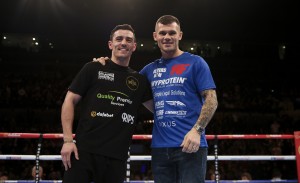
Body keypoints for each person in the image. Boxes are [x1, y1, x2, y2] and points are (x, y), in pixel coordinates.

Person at [95, 15, 218, 183]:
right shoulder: (149, 70)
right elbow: (123, 82)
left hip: (191, 146)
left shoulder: (196, 62)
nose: (167, 37)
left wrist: (197, 130)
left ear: (179, 35)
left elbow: (212, 100)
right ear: (155, 36)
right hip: (160, 149)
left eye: (171, 33)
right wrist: (106, 64)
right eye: (163, 33)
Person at [60, 24, 153, 183]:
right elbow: (69, 101)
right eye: (119, 39)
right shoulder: (93, 68)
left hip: (116, 157)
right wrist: (68, 140)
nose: (123, 42)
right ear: (111, 44)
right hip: (83, 152)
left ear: (134, 46)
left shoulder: (140, 80)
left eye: (128, 40)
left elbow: (158, 109)